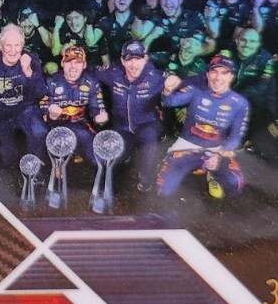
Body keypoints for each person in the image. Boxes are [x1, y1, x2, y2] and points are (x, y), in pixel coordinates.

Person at [157, 55, 250, 199]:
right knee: (163, 190)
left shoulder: (240, 103)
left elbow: (236, 138)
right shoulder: (195, 91)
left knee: (236, 185)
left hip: (217, 148)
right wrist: (167, 90)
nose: (218, 78)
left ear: (231, 76)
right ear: (207, 74)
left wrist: (218, 155)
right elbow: (170, 102)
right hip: (187, 145)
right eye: (214, 72)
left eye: (224, 73)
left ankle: (212, 174)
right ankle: (197, 168)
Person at [96, 40, 169, 191]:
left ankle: (145, 179)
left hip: (147, 124)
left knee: (149, 143)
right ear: (122, 61)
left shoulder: (156, 77)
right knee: (111, 159)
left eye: (138, 59)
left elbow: (187, 83)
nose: (134, 65)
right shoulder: (114, 73)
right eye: (129, 60)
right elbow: (89, 72)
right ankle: (126, 156)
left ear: (145, 58)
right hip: (122, 127)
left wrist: (174, 81)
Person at [0, 25, 45, 167]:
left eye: (17, 45)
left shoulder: (31, 59)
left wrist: (29, 72)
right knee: (6, 159)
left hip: (26, 110)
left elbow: (41, 93)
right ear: (0, 46)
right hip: (1, 115)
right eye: (8, 46)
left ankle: (35, 169)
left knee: (39, 132)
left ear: (22, 46)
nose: (13, 51)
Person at [38, 45, 108, 161]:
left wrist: (99, 117)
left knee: (98, 159)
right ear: (62, 63)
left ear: (84, 65)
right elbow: (42, 107)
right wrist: (50, 113)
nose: (73, 66)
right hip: (54, 127)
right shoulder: (50, 81)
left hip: (80, 126)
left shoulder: (91, 82)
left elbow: (97, 108)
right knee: (56, 157)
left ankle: (80, 153)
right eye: (69, 61)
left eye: (77, 62)